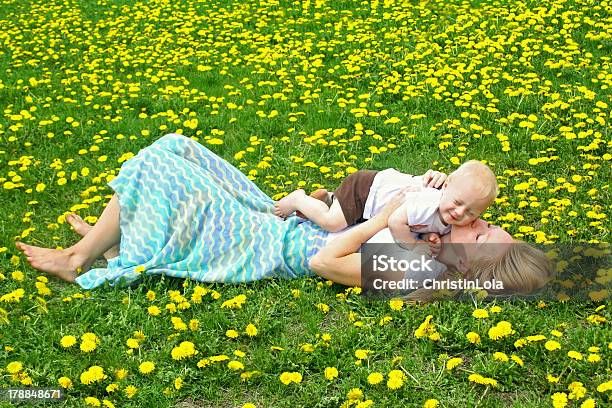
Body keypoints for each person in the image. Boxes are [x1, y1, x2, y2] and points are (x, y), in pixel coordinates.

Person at [15, 134, 551, 299]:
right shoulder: (433, 231)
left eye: (480, 231)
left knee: (160, 168)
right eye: (485, 222)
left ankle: (81, 257)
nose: (474, 223)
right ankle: (118, 237)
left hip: (272, 245)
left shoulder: (415, 270)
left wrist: (382, 215)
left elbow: (324, 261)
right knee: (177, 148)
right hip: (289, 222)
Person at [273, 162, 498, 256]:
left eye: (471, 213)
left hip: (371, 202)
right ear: (446, 186)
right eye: (458, 203)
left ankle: (328, 199)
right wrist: (413, 246)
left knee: (344, 218)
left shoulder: (450, 215)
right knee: (333, 223)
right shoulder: (429, 202)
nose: (460, 214)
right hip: (366, 191)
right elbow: (396, 221)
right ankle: (298, 199)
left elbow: (430, 227)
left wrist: (430, 236)